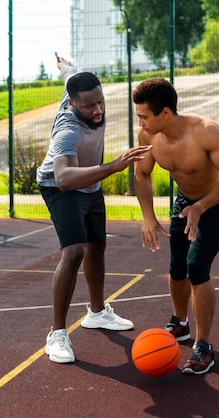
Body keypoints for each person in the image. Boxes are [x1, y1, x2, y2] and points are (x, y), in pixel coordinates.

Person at [37, 54, 152, 364]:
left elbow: (70, 74)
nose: (98, 110)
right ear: (73, 105)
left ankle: (97, 312)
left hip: (90, 185)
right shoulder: (68, 131)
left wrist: (63, 65)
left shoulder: (79, 90)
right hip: (61, 187)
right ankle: (57, 333)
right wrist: (113, 167)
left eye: (100, 102)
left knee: (97, 245)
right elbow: (63, 178)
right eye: (89, 106)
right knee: (74, 252)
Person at [132, 77, 219, 375]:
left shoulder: (205, 132)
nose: (140, 123)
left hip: (217, 203)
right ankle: (180, 323)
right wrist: (147, 216)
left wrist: (201, 206)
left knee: (197, 267)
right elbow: (142, 174)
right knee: (176, 267)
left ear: (165, 113)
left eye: (144, 116)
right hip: (185, 203)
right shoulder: (147, 136)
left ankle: (203, 345)